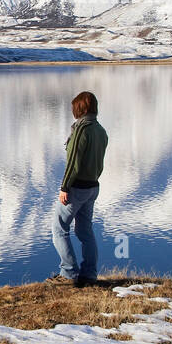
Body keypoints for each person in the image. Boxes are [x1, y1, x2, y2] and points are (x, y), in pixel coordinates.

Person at [50, 90, 108, 287]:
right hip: (93, 187)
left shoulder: (81, 129)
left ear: (79, 108)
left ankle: (68, 273)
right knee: (85, 232)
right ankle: (89, 275)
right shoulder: (100, 130)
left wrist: (65, 187)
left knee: (59, 228)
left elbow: (73, 162)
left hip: (77, 188)